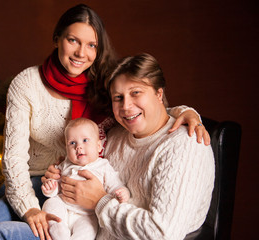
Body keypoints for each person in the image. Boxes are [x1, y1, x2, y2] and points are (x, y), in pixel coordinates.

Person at [0, 4, 210, 240]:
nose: (81, 53)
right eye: (73, 40)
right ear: (57, 39)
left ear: (99, 49)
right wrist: (30, 208)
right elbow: (13, 159)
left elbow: (146, 107)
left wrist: (187, 112)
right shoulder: (28, 84)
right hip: (41, 181)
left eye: (91, 45)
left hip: (85, 199)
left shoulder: (104, 83)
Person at [50, 53, 215, 239]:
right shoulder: (116, 132)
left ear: (159, 93)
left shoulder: (184, 146)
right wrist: (61, 173)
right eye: (118, 97)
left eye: (136, 92)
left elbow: (161, 234)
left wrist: (100, 201)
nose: (126, 106)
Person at [41, 118, 130, 240]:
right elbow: (56, 183)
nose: (78, 147)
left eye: (85, 140)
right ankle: (58, 231)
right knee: (50, 203)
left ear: (98, 146)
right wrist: (50, 188)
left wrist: (121, 192)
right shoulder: (65, 163)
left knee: (89, 230)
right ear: (66, 149)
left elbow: (114, 184)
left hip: (86, 214)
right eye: (72, 143)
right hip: (63, 205)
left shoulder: (103, 166)